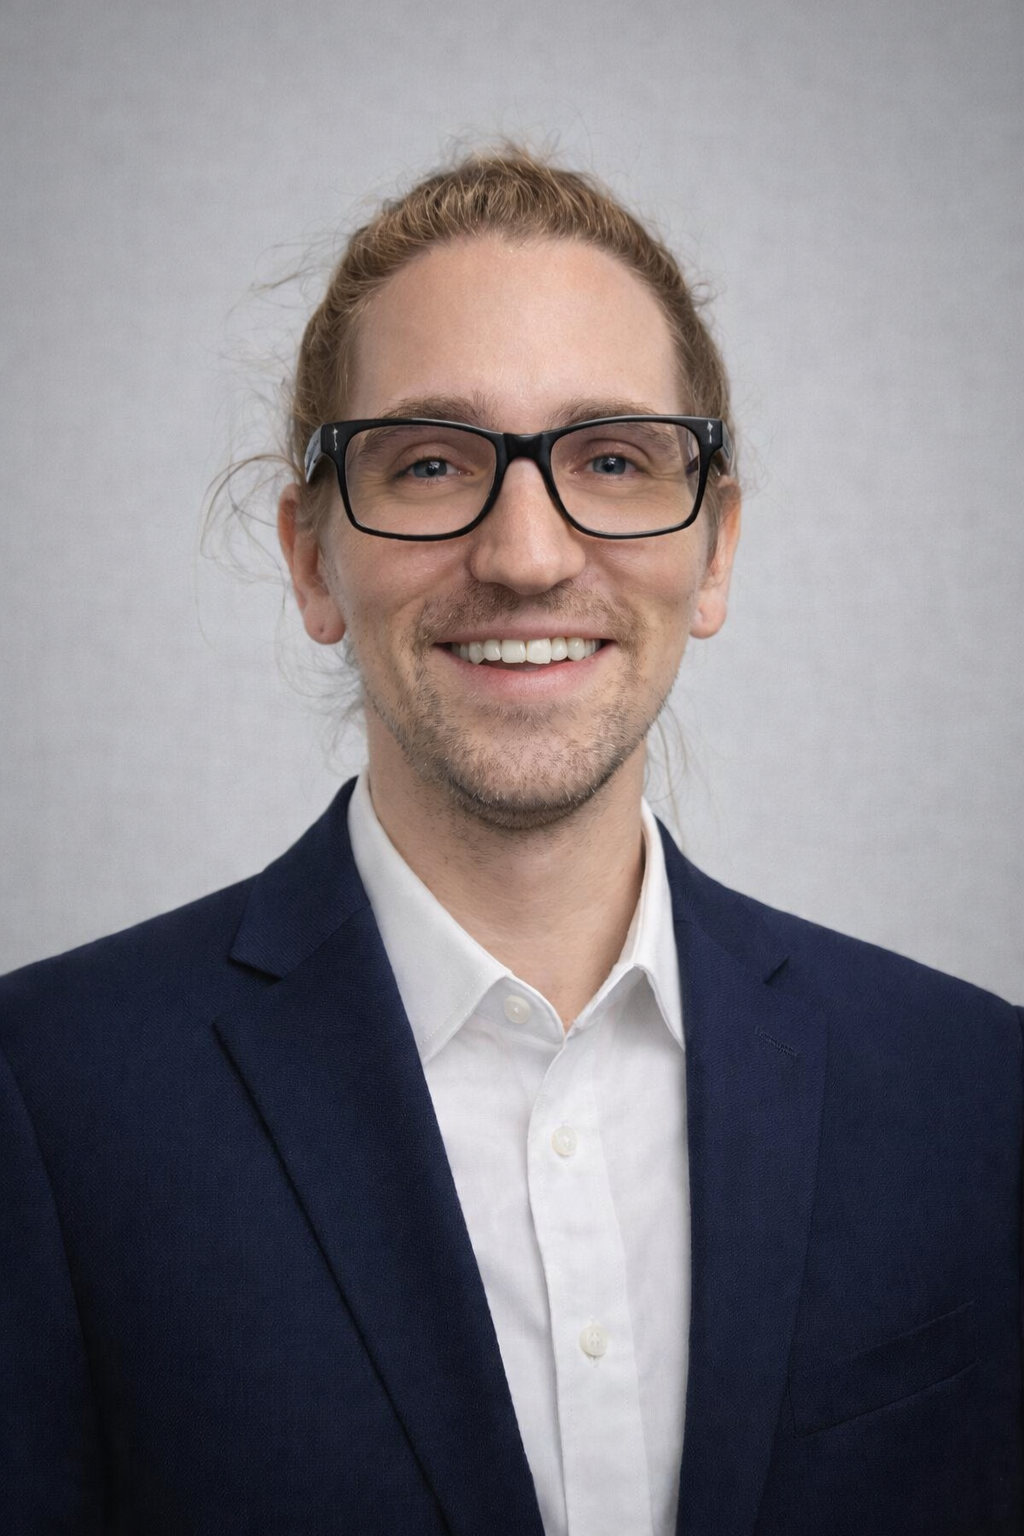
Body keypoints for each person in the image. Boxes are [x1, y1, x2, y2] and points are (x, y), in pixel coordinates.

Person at [1, 146, 1020, 1536]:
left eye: (610, 458)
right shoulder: (45, 1104)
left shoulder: (977, 1094)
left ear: (713, 550)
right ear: (313, 557)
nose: (529, 554)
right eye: (429, 462)